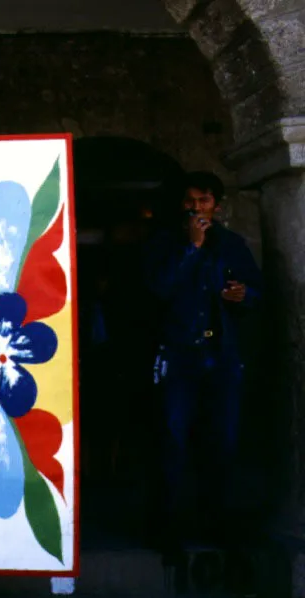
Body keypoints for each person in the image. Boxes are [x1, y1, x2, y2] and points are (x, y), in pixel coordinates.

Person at [143, 172, 261, 557]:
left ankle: (218, 525)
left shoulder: (232, 245)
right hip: (179, 358)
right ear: (182, 205)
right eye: (191, 201)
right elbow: (158, 289)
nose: (197, 208)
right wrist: (192, 249)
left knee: (222, 443)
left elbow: (258, 294)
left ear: (217, 205)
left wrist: (244, 295)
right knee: (172, 442)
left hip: (223, 358)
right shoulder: (164, 243)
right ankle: (167, 530)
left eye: (205, 201)